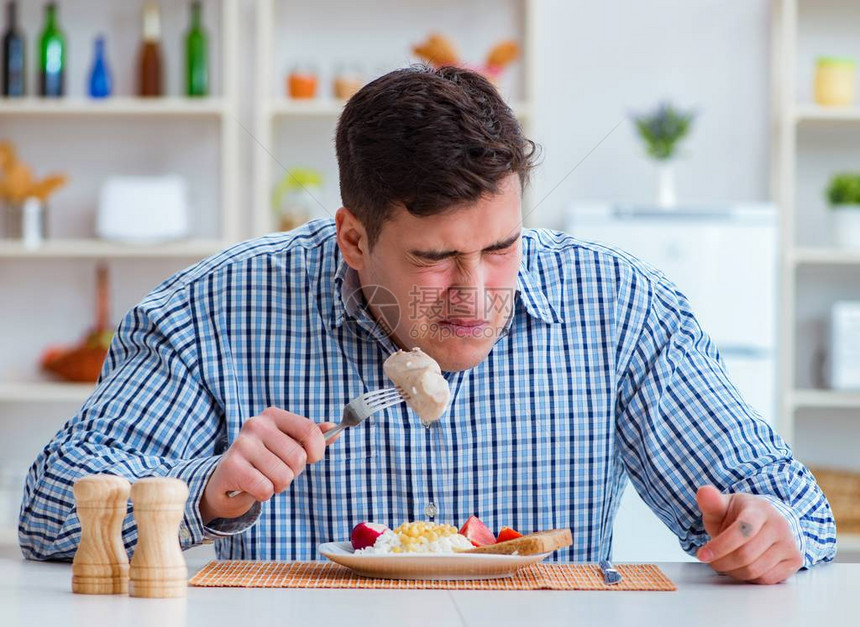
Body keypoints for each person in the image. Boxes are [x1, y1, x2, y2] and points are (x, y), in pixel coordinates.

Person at [20, 66, 835, 584]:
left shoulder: (620, 308)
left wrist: (768, 530)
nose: (477, 293)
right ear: (352, 236)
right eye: (436, 259)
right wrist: (206, 493)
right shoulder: (211, 311)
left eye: (503, 246)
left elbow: (795, 508)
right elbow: (51, 516)